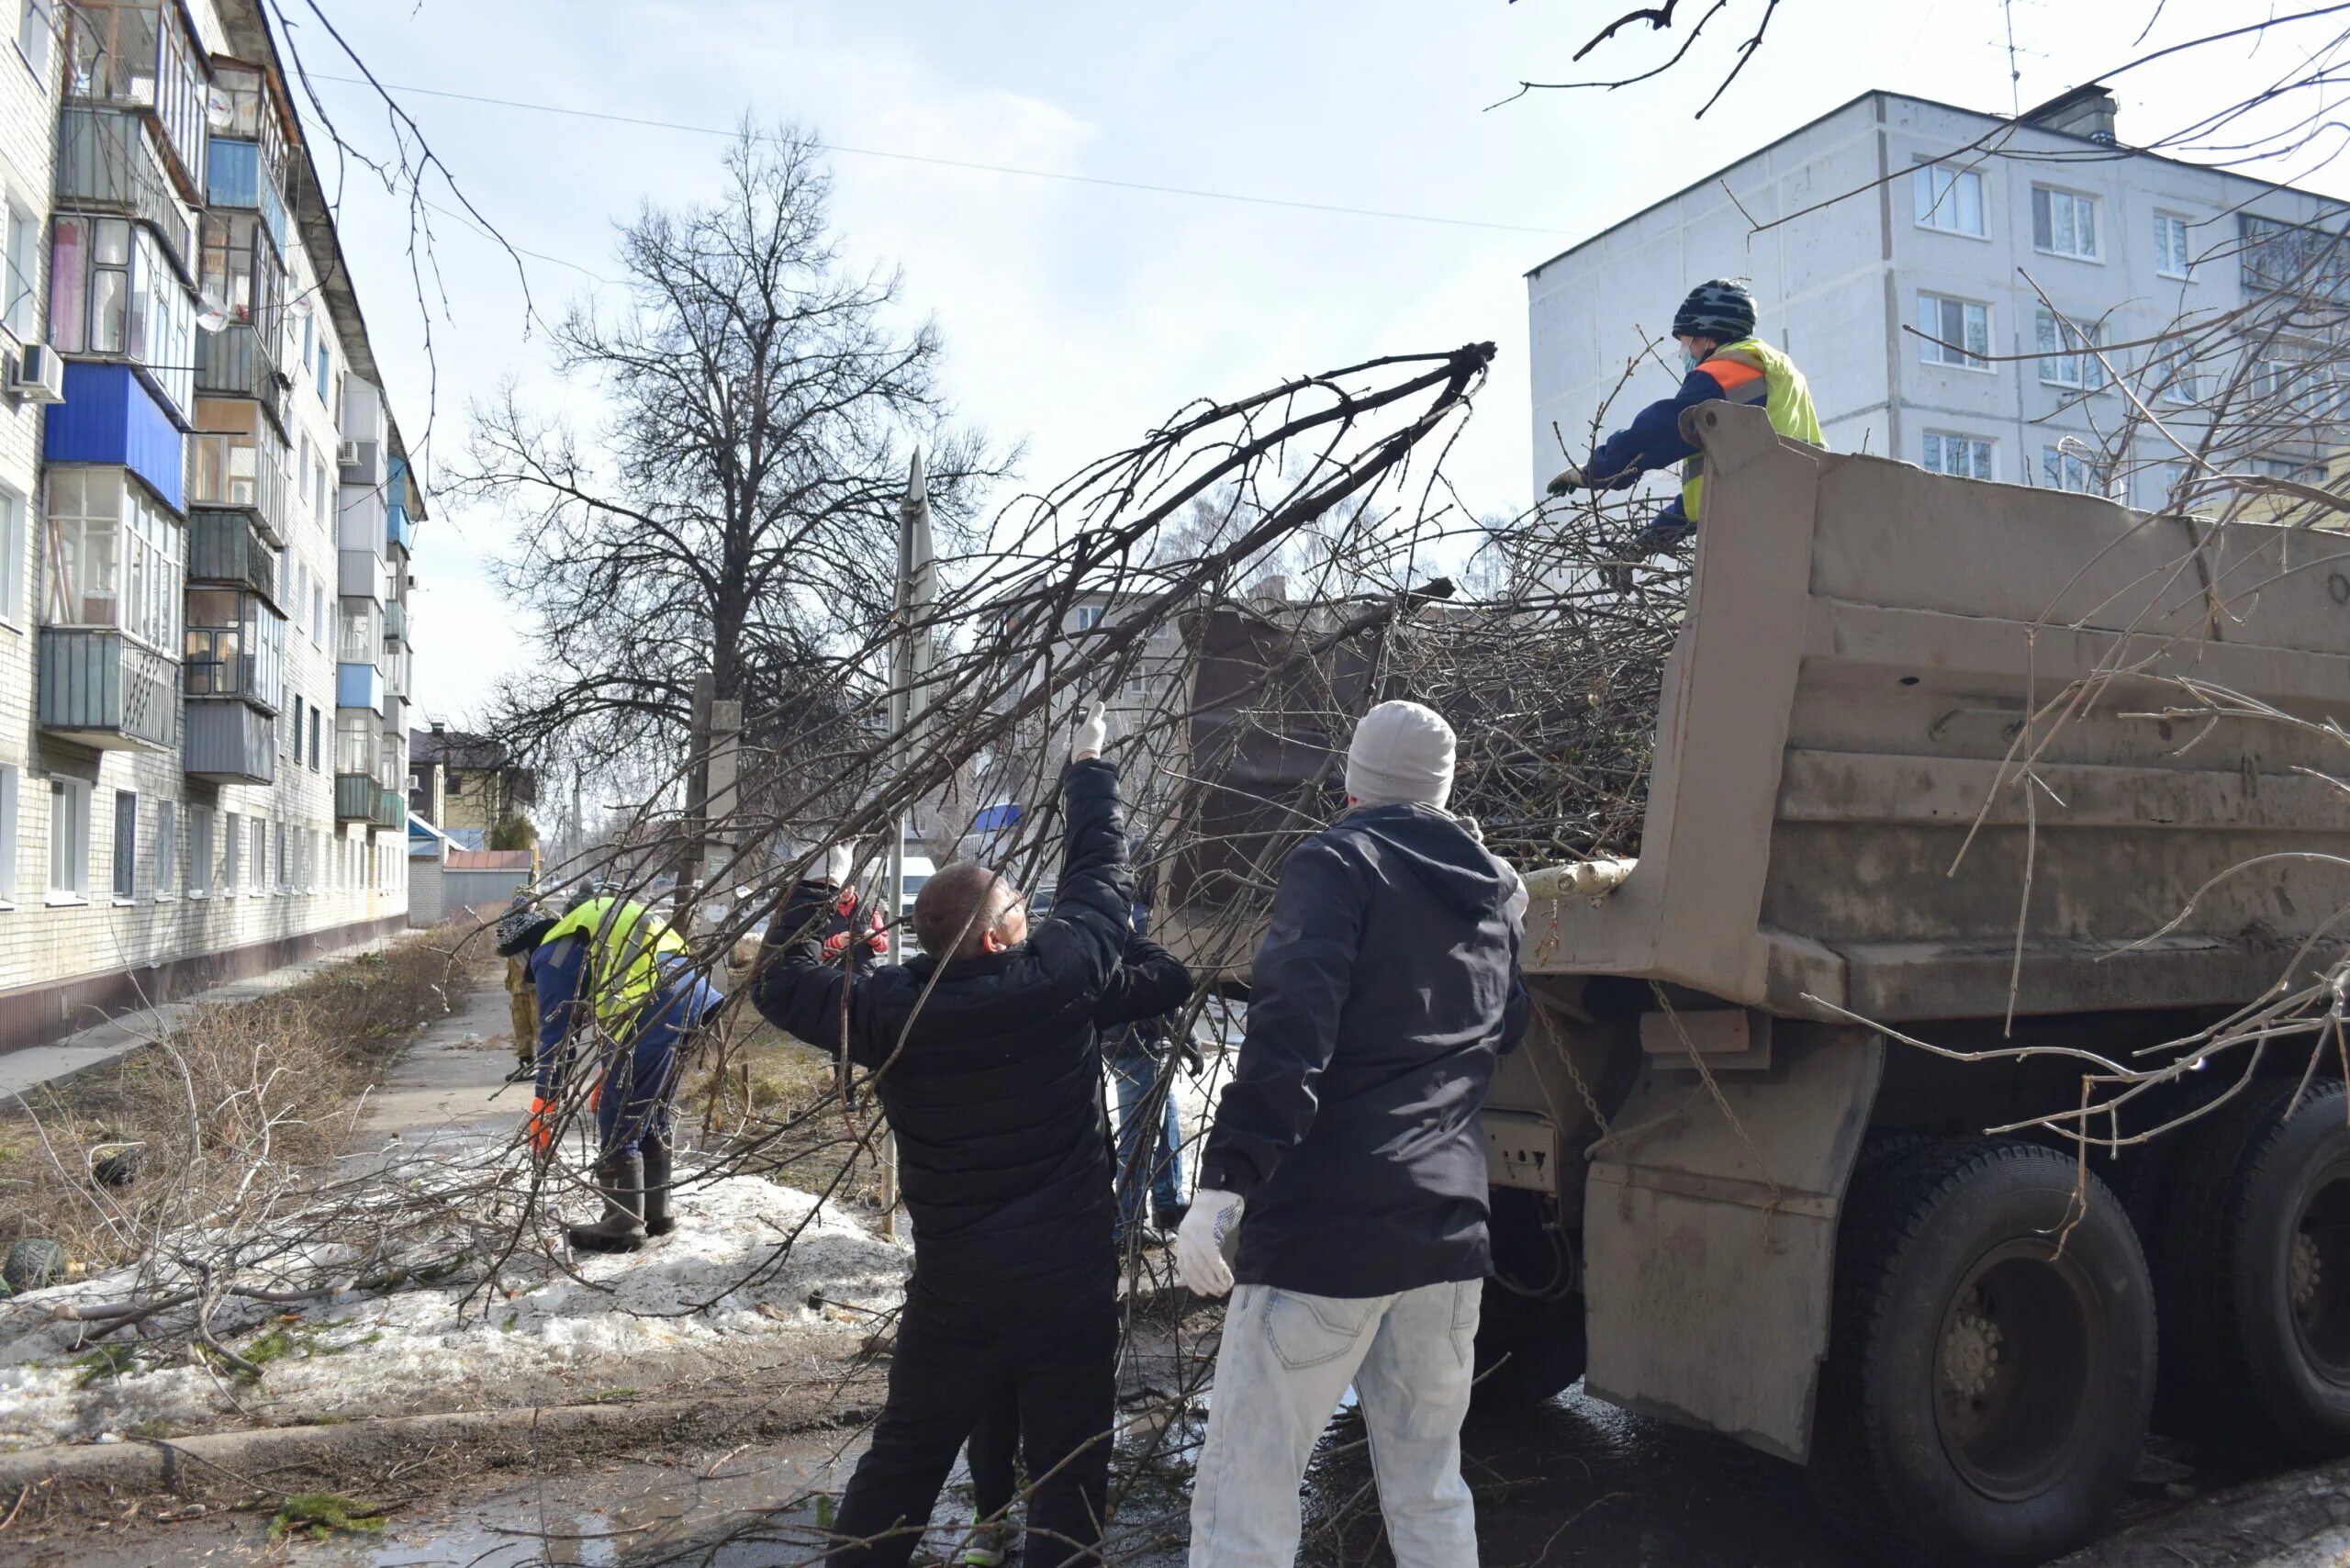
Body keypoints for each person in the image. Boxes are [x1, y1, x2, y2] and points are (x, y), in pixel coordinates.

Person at [753, 702, 1187, 1568]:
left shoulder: (886, 1012)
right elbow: (1101, 876)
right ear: (997, 936)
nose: (1035, 917)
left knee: (906, 1458)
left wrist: (813, 889)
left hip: (957, 1289)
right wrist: (1088, 766)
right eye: (1023, 911)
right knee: (1069, 1471)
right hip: (1066, 1282)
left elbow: (778, 980)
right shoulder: (1059, 978)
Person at [1177, 700, 1529, 1568]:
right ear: (1442, 792)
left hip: (1326, 1236)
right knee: (1430, 1491)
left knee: (1245, 1506)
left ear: (1351, 784)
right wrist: (1512, 936)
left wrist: (1226, 1180)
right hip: (1445, 1233)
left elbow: (1293, 1026)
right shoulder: (1488, 885)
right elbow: (1500, 1032)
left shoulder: (1336, 860)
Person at [961, 920, 1196, 1567]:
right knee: (1066, 1403)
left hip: (977, 1251)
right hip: (1062, 1247)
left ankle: (992, 1524)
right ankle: (1057, 1538)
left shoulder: (933, 1007)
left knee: (993, 1394)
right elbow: (1170, 977)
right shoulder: (1066, 997)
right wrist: (1121, 932)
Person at [494, 891, 723, 1253]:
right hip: (695, 996)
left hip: (653, 1006)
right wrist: (607, 1072)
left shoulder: (551, 953)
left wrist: (544, 1104)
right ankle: (655, 1212)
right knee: (650, 1110)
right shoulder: (585, 929)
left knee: (618, 1119)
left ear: (524, 945)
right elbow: (617, 994)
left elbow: (558, 1037)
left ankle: (623, 1224)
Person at [1546, 278, 1823, 577]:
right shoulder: (1783, 377)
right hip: (1800, 532)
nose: (1682, 350)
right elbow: (1724, 486)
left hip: (1752, 546)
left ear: (1708, 337)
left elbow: (1655, 436)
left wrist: (1592, 471)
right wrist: (1647, 542)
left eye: (1685, 340)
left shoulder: (1727, 372)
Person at [1105, 902, 1200, 1248]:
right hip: (1138, 1043)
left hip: (1136, 1042)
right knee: (1141, 1136)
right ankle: (1126, 1225)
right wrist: (1186, 1035)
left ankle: (1168, 1203)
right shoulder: (1136, 923)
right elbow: (1163, 984)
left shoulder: (1101, 915)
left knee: (1165, 1118)